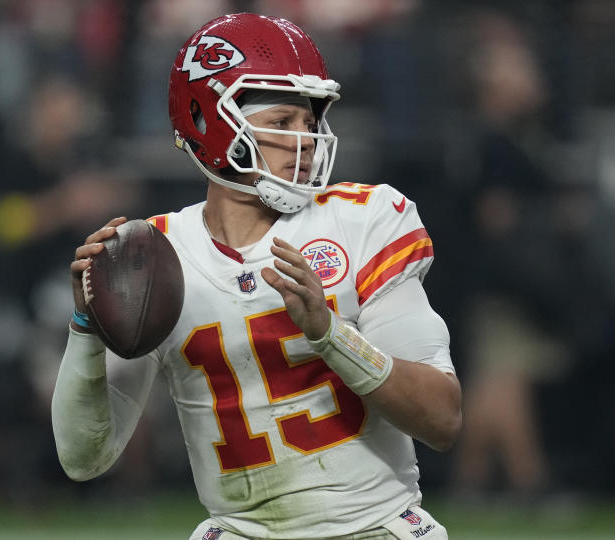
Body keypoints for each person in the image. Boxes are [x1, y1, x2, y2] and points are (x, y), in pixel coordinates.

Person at [51, 13, 462, 539]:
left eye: (311, 122)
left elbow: (441, 418)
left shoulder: (365, 219)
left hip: (375, 527)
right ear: (212, 124)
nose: (308, 140)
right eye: (283, 121)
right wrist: (88, 330)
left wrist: (331, 336)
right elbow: (83, 458)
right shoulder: (155, 257)